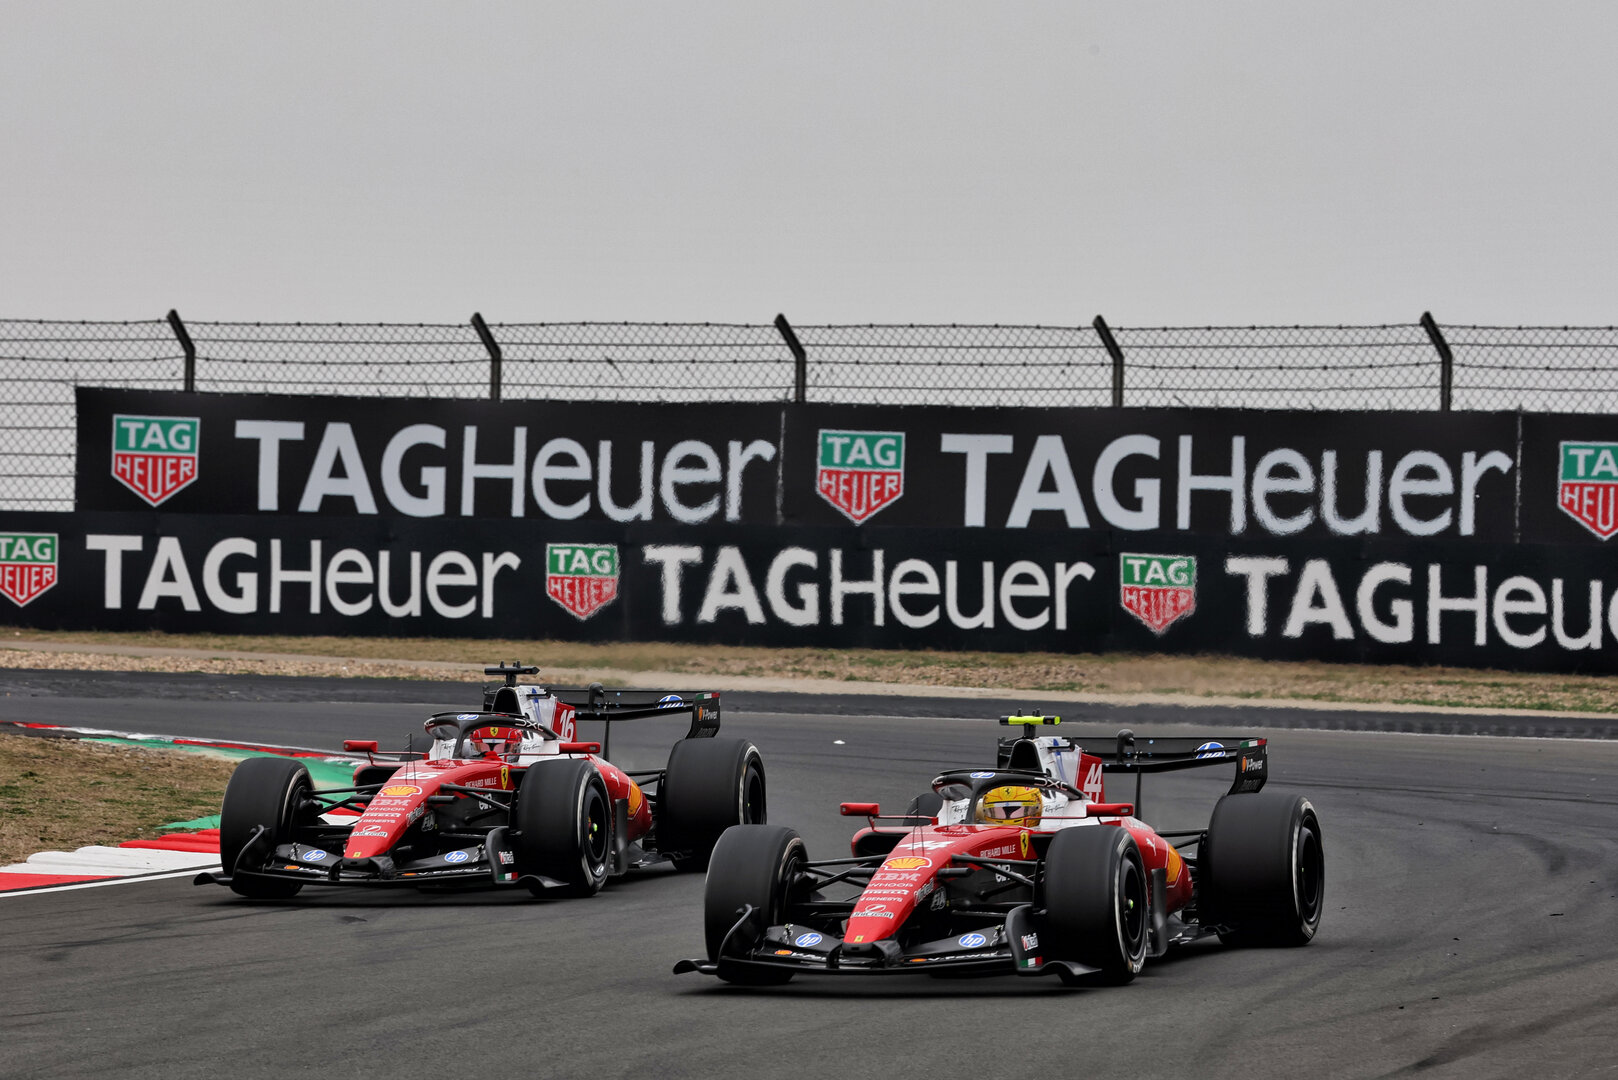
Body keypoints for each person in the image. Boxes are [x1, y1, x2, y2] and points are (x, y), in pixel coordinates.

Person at [976, 784, 1042, 827]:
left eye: (1018, 811)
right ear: (985, 811)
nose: (1008, 821)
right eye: (998, 812)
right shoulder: (977, 810)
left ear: (1037, 808)